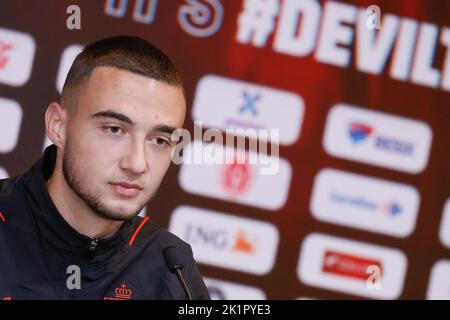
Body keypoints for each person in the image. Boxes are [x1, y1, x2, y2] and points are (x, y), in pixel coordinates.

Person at [0, 35, 210, 300]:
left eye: (159, 140)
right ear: (58, 126)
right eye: (114, 129)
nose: (136, 164)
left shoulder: (172, 268)